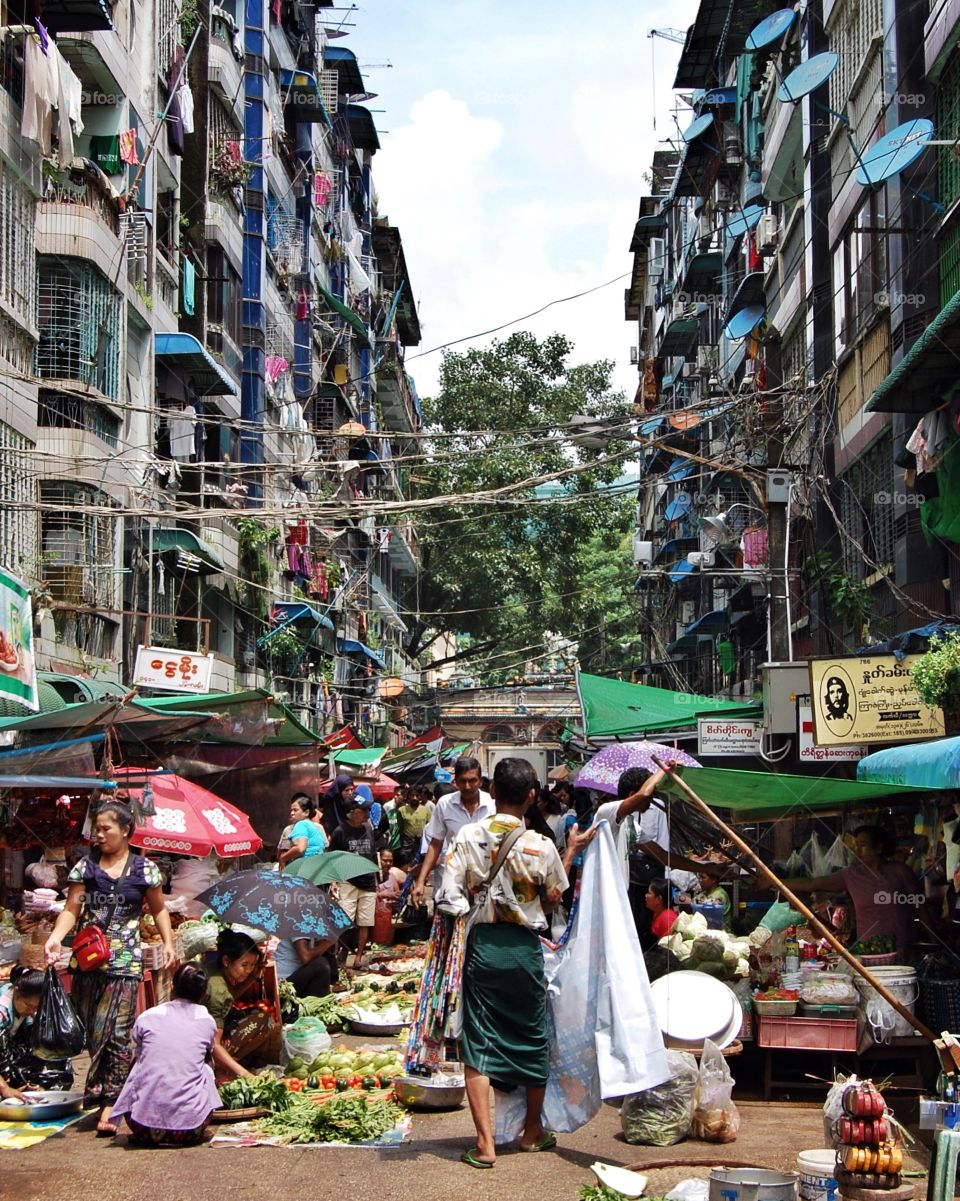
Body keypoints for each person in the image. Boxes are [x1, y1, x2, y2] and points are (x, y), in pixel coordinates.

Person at [437, 756, 596, 1169]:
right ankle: (531, 1132)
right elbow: (553, 897)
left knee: (477, 1044)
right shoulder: (541, 845)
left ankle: (486, 1144)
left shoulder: (468, 837)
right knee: (531, 1036)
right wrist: (572, 851)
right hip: (526, 951)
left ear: (491, 791)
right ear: (531, 797)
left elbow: (448, 897)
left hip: (482, 948)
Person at [44, 800, 175, 1135]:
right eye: (97, 829)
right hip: (87, 961)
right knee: (94, 1031)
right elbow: (72, 909)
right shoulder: (85, 868)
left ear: (126, 830)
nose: (99, 835)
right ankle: (103, 1092)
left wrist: (169, 941)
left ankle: (110, 1102)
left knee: (116, 1032)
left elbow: (158, 909)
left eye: (106, 829)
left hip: (125, 962)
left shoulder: (145, 870)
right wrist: (57, 938)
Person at [109, 962, 222, 1146]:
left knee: (140, 1060)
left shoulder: (148, 1016)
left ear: (172, 986)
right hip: (191, 1130)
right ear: (203, 993)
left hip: (142, 1128)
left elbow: (138, 1041)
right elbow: (208, 1049)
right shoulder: (206, 1020)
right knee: (205, 1064)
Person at [777, 825, 924, 954]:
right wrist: (776, 882)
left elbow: (920, 908)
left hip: (902, 950)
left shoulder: (901, 872)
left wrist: (932, 938)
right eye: (856, 845)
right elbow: (811, 883)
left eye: (863, 845)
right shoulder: (851, 875)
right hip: (868, 951)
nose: (857, 850)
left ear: (879, 848)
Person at [412, 756, 495, 906]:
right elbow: (435, 844)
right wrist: (420, 881)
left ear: (480, 781)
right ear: (455, 782)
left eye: (472, 780)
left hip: (486, 886)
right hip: (451, 884)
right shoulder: (445, 804)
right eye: (463, 781)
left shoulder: (493, 805)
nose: (468, 786)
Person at [202, 930, 277, 1078]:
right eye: (244, 964)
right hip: (203, 1050)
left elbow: (230, 997)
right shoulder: (218, 990)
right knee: (263, 1021)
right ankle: (221, 1068)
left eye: (252, 965)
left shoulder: (214, 969)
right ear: (226, 961)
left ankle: (228, 1064)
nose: (249, 970)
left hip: (202, 1035)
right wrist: (244, 1074)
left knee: (255, 1014)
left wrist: (253, 977)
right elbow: (214, 1045)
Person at [328, 799, 379, 966]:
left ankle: (358, 957)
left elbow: (373, 854)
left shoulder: (368, 829)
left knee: (365, 922)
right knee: (345, 921)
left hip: (368, 881)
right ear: (353, 811)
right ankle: (341, 952)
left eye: (367, 810)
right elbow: (332, 858)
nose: (366, 814)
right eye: (363, 810)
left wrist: (377, 880)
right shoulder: (340, 832)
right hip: (348, 880)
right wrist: (334, 881)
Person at [0, 966, 45, 1101]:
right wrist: (4, 1088)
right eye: (28, 1005)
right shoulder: (2, 1011)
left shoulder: (26, 1010)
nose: (32, 1012)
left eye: (36, 1007)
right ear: (17, 992)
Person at [274, 936, 339, 999]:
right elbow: (306, 957)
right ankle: (316, 1005)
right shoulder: (300, 926)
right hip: (285, 982)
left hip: (300, 975)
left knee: (329, 961)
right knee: (321, 964)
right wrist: (327, 943)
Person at [278, 795, 327, 868]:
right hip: (318, 865)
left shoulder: (301, 824)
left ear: (306, 812)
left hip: (306, 866)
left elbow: (300, 848)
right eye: (291, 810)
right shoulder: (313, 826)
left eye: (295, 810)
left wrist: (283, 858)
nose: (291, 813)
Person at [395, 786, 434, 866]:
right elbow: (400, 827)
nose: (414, 798)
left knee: (421, 863)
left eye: (417, 795)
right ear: (408, 797)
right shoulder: (401, 810)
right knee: (407, 863)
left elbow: (430, 826)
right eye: (412, 796)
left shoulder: (426, 810)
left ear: (420, 797)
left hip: (422, 842)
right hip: (407, 842)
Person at [692, 865, 733, 930]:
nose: (700, 880)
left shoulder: (720, 894)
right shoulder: (704, 893)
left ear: (713, 879)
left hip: (721, 932)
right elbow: (694, 902)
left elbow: (708, 906)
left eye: (703, 878)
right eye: (699, 877)